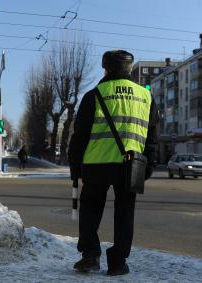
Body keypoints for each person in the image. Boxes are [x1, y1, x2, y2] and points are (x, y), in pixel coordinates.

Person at [68, 50, 159, 276]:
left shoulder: (95, 94)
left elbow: (80, 135)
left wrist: (74, 164)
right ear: (129, 68)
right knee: (125, 213)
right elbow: (152, 136)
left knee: (90, 210)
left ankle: (90, 255)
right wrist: (148, 164)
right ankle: (118, 262)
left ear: (106, 68)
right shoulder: (146, 97)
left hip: (96, 164)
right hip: (132, 165)